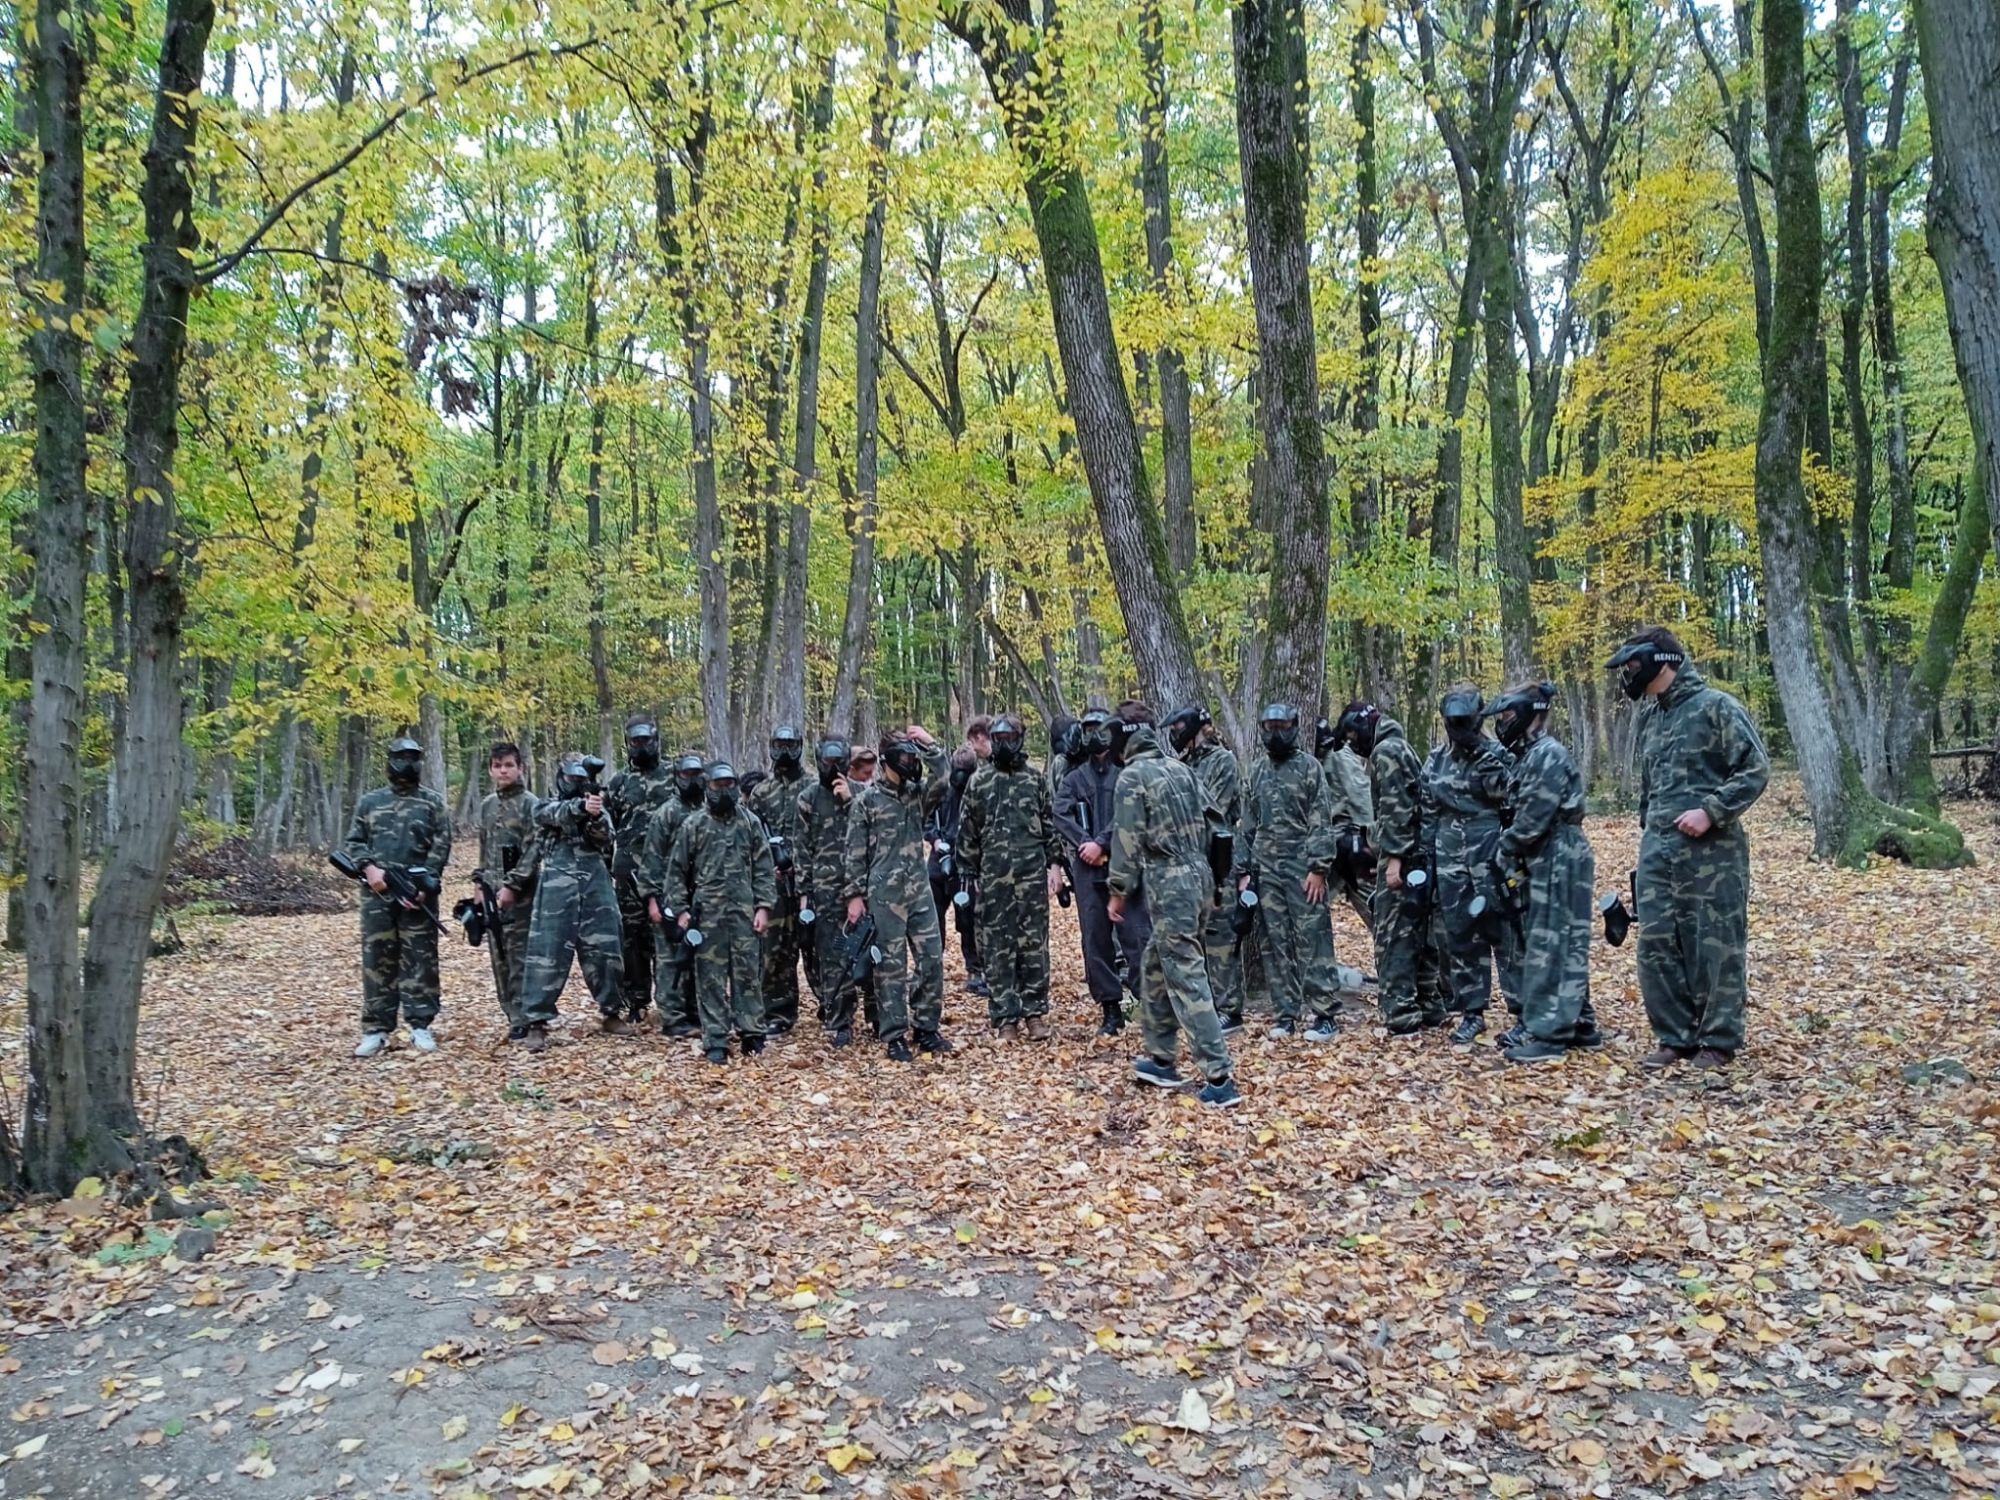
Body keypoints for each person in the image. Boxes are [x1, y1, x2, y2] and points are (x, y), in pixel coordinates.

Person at [1608, 627, 1769, 1070]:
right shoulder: (1652, 719)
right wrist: (1649, 829)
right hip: (1659, 852)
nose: (1628, 675)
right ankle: (1675, 1036)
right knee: (1657, 943)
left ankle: (1717, 1040)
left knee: (1713, 945)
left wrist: (1711, 811)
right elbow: (1650, 787)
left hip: (1712, 855)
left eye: (1633, 665)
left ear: (1661, 661)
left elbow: (1755, 769)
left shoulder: (1717, 707)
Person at [1107, 702, 1241, 1108]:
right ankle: (1161, 1058)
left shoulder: (1133, 777)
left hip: (1171, 881)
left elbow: (1126, 839)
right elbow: (1219, 828)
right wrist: (1214, 883)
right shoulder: (1180, 770)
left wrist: (1118, 891)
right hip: (1199, 876)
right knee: (1155, 964)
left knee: (1185, 973)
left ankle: (1219, 1077)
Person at [1485, 682, 1603, 1063]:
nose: (1502, 724)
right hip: (1546, 853)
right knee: (1560, 939)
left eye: (1508, 716)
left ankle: (1549, 1035)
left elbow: (1532, 819)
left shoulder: (1547, 754)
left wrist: (1504, 849)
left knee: (1552, 943)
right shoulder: (1529, 755)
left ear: (1528, 714)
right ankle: (1580, 1024)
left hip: (1558, 851)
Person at [843, 727, 953, 1062]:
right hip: (884, 896)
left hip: (919, 891)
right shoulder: (867, 802)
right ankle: (894, 1034)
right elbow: (854, 853)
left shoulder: (916, 795)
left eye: (912, 756)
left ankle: (926, 1027)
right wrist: (855, 896)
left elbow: (943, 777)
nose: (910, 762)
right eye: (905, 756)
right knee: (889, 967)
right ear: (889, 759)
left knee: (931, 959)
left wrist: (930, 744)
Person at [958, 713, 1067, 1039]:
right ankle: (1005, 1017)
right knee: (997, 948)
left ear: (1019, 739)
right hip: (993, 878)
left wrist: (1055, 867)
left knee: (1033, 946)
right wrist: (969, 874)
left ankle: (1034, 1014)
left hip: (1031, 877)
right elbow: (968, 830)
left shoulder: (1034, 779)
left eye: (1010, 739)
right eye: (999, 739)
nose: (1004, 745)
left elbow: (1050, 825)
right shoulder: (979, 781)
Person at [1422, 686, 1521, 1044]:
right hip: (1449, 857)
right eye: (1454, 722)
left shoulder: (1498, 755)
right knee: (1460, 934)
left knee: (1505, 933)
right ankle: (1472, 1012)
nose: (1460, 728)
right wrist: (1425, 860)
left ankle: (1522, 1011)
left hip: (1492, 854)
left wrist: (1481, 753)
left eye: (1465, 721)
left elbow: (1511, 797)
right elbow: (1427, 809)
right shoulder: (1436, 759)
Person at [1237, 703, 1341, 1041]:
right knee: (1275, 941)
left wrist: (1319, 867)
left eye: (1282, 726)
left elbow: (1321, 820)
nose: (1276, 733)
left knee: (1313, 937)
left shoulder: (1310, 768)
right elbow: (1247, 824)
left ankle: (1325, 1013)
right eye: (1270, 727)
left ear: (1294, 727)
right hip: (1266, 869)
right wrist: (1243, 871)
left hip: (1302, 866)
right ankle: (1285, 1013)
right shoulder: (1256, 771)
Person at [344, 736, 452, 1057]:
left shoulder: (432, 802)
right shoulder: (370, 802)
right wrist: (369, 869)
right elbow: (354, 841)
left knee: (421, 959)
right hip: (377, 895)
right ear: (390, 761)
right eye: (402, 757)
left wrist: (425, 884)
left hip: (418, 894)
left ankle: (420, 1025)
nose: (408, 763)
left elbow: (442, 844)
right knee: (377, 959)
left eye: (413, 758)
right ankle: (376, 1029)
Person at [666, 762, 777, 1065]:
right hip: (707, 914)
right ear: (708, 786)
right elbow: (676, 872)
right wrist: (681, 911)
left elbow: (764, 869)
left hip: (744, 912)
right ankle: (715, 1038)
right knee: (710, 977)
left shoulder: (750, 823)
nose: (725, 790)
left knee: (747, 974)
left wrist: (764, 907)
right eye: (718, 785)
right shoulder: (694, 825)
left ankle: (751, 1032)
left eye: (730, 784)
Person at [1348, 701, 1447, 1035]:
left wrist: (1393, 860)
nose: (1352, 744)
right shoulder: (1399, 747)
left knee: (1394, 936)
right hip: (1417, 855)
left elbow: (1396, 810)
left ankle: (1401, 1012)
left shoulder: (1387, 751)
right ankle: (1429, 1005)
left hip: (1404, 859)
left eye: (1352, 736)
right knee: (1418, 932)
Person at [518, 752, 625, 1051]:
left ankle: (612, 1012)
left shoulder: (598, 808)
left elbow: (606, 838)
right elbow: (550, 815)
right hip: (557, 882)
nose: (575, 784)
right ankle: (536, 1021)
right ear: (560, 777)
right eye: (571, 778)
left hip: (595, 881)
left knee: (605, 948)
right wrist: (580, 807)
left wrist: (594, 816)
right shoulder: (545, 804)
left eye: (581, 780)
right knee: (546, 952)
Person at [1056, 707, 1149, 1035]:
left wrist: (1102, 842)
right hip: (1087, 868)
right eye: (1088, 729)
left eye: (1100, 729)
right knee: (1095, 940)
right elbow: (1060, 813)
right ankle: (1110, 1009)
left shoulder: (1127, 774)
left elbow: (1131, 815)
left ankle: (1145, 1004)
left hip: (1125, 863)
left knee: (1137, 936)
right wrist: (1085, 843)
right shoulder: (1074, 778)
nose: (1094, 735)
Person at [1164, 705, 1247, 1034]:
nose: (1174, 734)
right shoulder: (1184, 765)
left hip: (1218, 859)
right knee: (1194, 934)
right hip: (1190, 862)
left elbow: (1212, 811)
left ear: (1194, 727)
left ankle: (1230, 1009)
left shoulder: (1222, 761)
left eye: (1178, 727)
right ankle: (1204, 1005)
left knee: (1220, 937)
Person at [604, 715, 676, 1029]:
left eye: (647, 740)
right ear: (627, 744)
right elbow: (607, 827)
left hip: (669, 870)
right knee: (632, 938)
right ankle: (637, 1001)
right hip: (627, 873)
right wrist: (610, 866)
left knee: (668, 935)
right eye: (636, 741)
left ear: (657, 740)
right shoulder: (618, 782)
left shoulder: (674, 775)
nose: (642, 746)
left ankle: (672, 1001)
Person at [638, 753, 708, 1037]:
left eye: (697, 775)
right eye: (686, 775)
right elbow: (651, 859)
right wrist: (653, 901)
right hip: (670, 895)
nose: (692, 781)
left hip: (702, 896)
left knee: (700, 955)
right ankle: (673, 1016)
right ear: (677, 778)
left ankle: (697, 1011)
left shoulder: (710, 810)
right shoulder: (666, 813)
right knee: (670, 957)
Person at [472, 741, 538, 1040]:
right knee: (498, 954)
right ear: (490, 770)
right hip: (491, 893)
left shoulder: (530, 804)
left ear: (520, 768)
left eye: (509, 765)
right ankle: (512, 1013)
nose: (503, 771)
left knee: (520, 955)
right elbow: (485, 848)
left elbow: (534, 850)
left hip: (522, 896)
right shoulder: (488, 806)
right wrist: (479, 885)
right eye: (497, 766)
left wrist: (513, 885)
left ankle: (527, 1015)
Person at [748, 724, 810, 1034]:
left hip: (810, 880)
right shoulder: (761, 793)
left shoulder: (813, 787)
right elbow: (753, 838)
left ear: (800, 746)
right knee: (775, 950)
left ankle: (832, 1006)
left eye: (791, 745)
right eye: (779, 745)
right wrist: (766, 867)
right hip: (773, 882)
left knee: (816, 946)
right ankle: (778, 1013)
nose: (785, 751)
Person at [798, 737, 858, 1041]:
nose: (833, 768)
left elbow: (873, 832)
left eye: (838, 762)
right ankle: (839, 1020)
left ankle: (878, 1017)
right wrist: (804, 896)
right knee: (831, 956)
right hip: (824, 891)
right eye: (827, 762)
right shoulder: (808, 798)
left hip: (861, 886)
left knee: (868, 952)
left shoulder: (861, 794)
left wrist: (849, 801)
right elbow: (801, 850)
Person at [927, 747, 985, 997]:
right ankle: (931, 969)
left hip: (967, 864)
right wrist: (935, 840)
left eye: (965, 772)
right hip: (939, 864)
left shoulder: (979, 792)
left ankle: (975, 970)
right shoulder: (940, 790)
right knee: (933, 919)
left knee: (968, 920)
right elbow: (926, 819)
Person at [1318, 717, 1377, 933]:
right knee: (1311, 906)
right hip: (1328, 845)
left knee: (1374, 909)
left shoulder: (1340, 758)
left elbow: (1362, 798)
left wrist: (1368, 842)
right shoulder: (1312, 763)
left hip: (1350, 845)